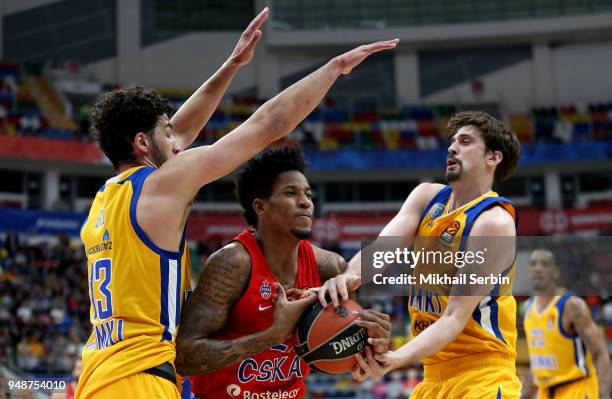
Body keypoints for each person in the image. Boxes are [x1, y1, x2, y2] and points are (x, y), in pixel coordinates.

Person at [76, 4, 399, 397]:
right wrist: (333, 69)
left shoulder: (104, 202)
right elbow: (268, 125)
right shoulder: (161, 185)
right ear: (143, 143)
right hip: (141, 377)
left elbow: (182, 131)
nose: (177, 142)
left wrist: (231, 66)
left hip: (97, 375)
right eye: (166, 132)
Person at [319, 111, 523, 398]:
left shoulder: (494, 222)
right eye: (452, 141)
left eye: (465, 141)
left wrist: (396, 358)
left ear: (493, 158)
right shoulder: (427, 197)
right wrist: (349, 277)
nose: (452, 147)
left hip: (482, 377)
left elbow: (454, 316)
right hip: (432, 378)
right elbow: (381, 250)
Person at [175, 146, 392, 399]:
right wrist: (273, 335)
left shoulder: (330, 267)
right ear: (260, 206)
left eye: (308, 194)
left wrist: (373, 342)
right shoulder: (231, 264)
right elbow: (184, 357)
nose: (306, 202)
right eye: (291, 193)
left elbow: (351, 360)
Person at [521, 248, 611, 399]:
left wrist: (604, 394)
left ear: (556, 271)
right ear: (528, 271)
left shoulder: (571, 306)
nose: (538, 269)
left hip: (577, 388)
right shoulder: (528, 309)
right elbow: (539, 361)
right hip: (545, 392)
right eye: (533, 264)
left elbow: (600, 353)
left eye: (545, 264)